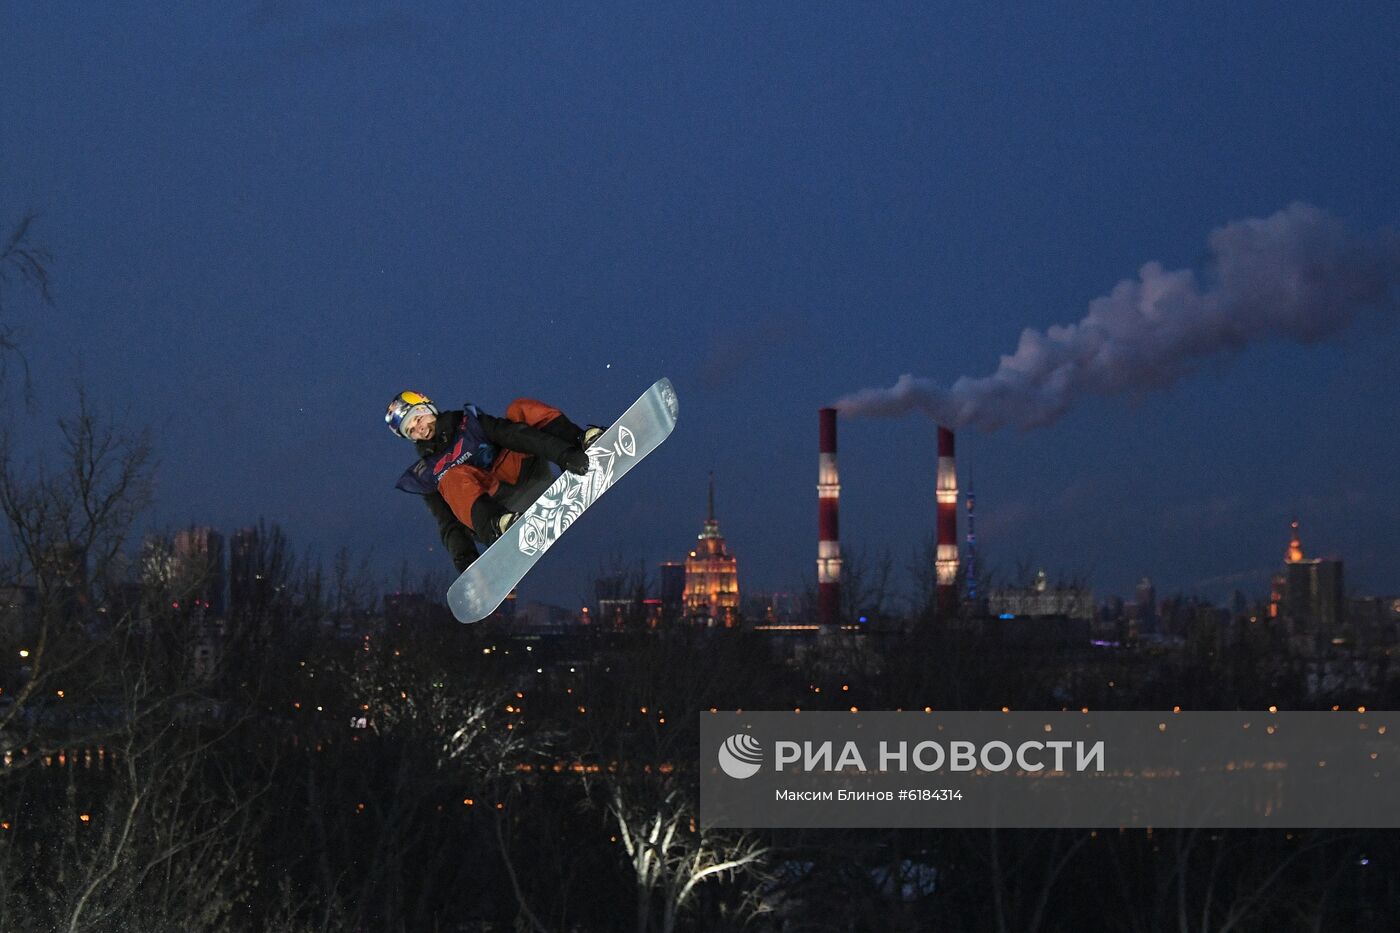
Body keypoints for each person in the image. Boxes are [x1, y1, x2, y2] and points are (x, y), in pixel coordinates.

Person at [386, 391, 603, 572]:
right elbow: (448, 522)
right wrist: (466, 561)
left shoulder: (469, 424)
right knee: (451, 476)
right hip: (491, 508)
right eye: (411, 431)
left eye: (417, 419)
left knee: (520, 408)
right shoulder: (428, 473)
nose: (419, 429)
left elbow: (514, 435)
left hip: (523, 476)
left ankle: (582, 441)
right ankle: (499, 525)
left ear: (427, 409)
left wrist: (563, 454)